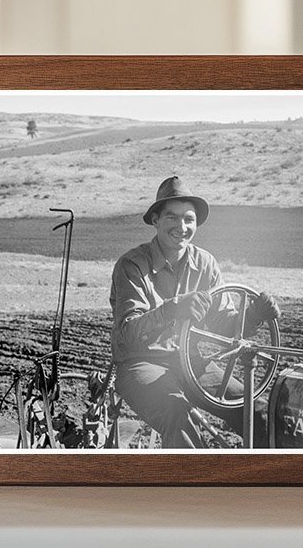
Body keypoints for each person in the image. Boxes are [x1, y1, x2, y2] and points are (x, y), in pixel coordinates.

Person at [109, 176, 281, 448]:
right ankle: (192, 487)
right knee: (178, 414)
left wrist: (255, 315)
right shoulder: (132, 265)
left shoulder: (205, 263)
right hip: (141, 364)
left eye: (189, 219)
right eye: (172, 218)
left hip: (191, 363)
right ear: (155, 220)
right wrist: (174, 309)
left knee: (258, 412)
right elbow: (127, 334)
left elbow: (224, 325)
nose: (182, 227)